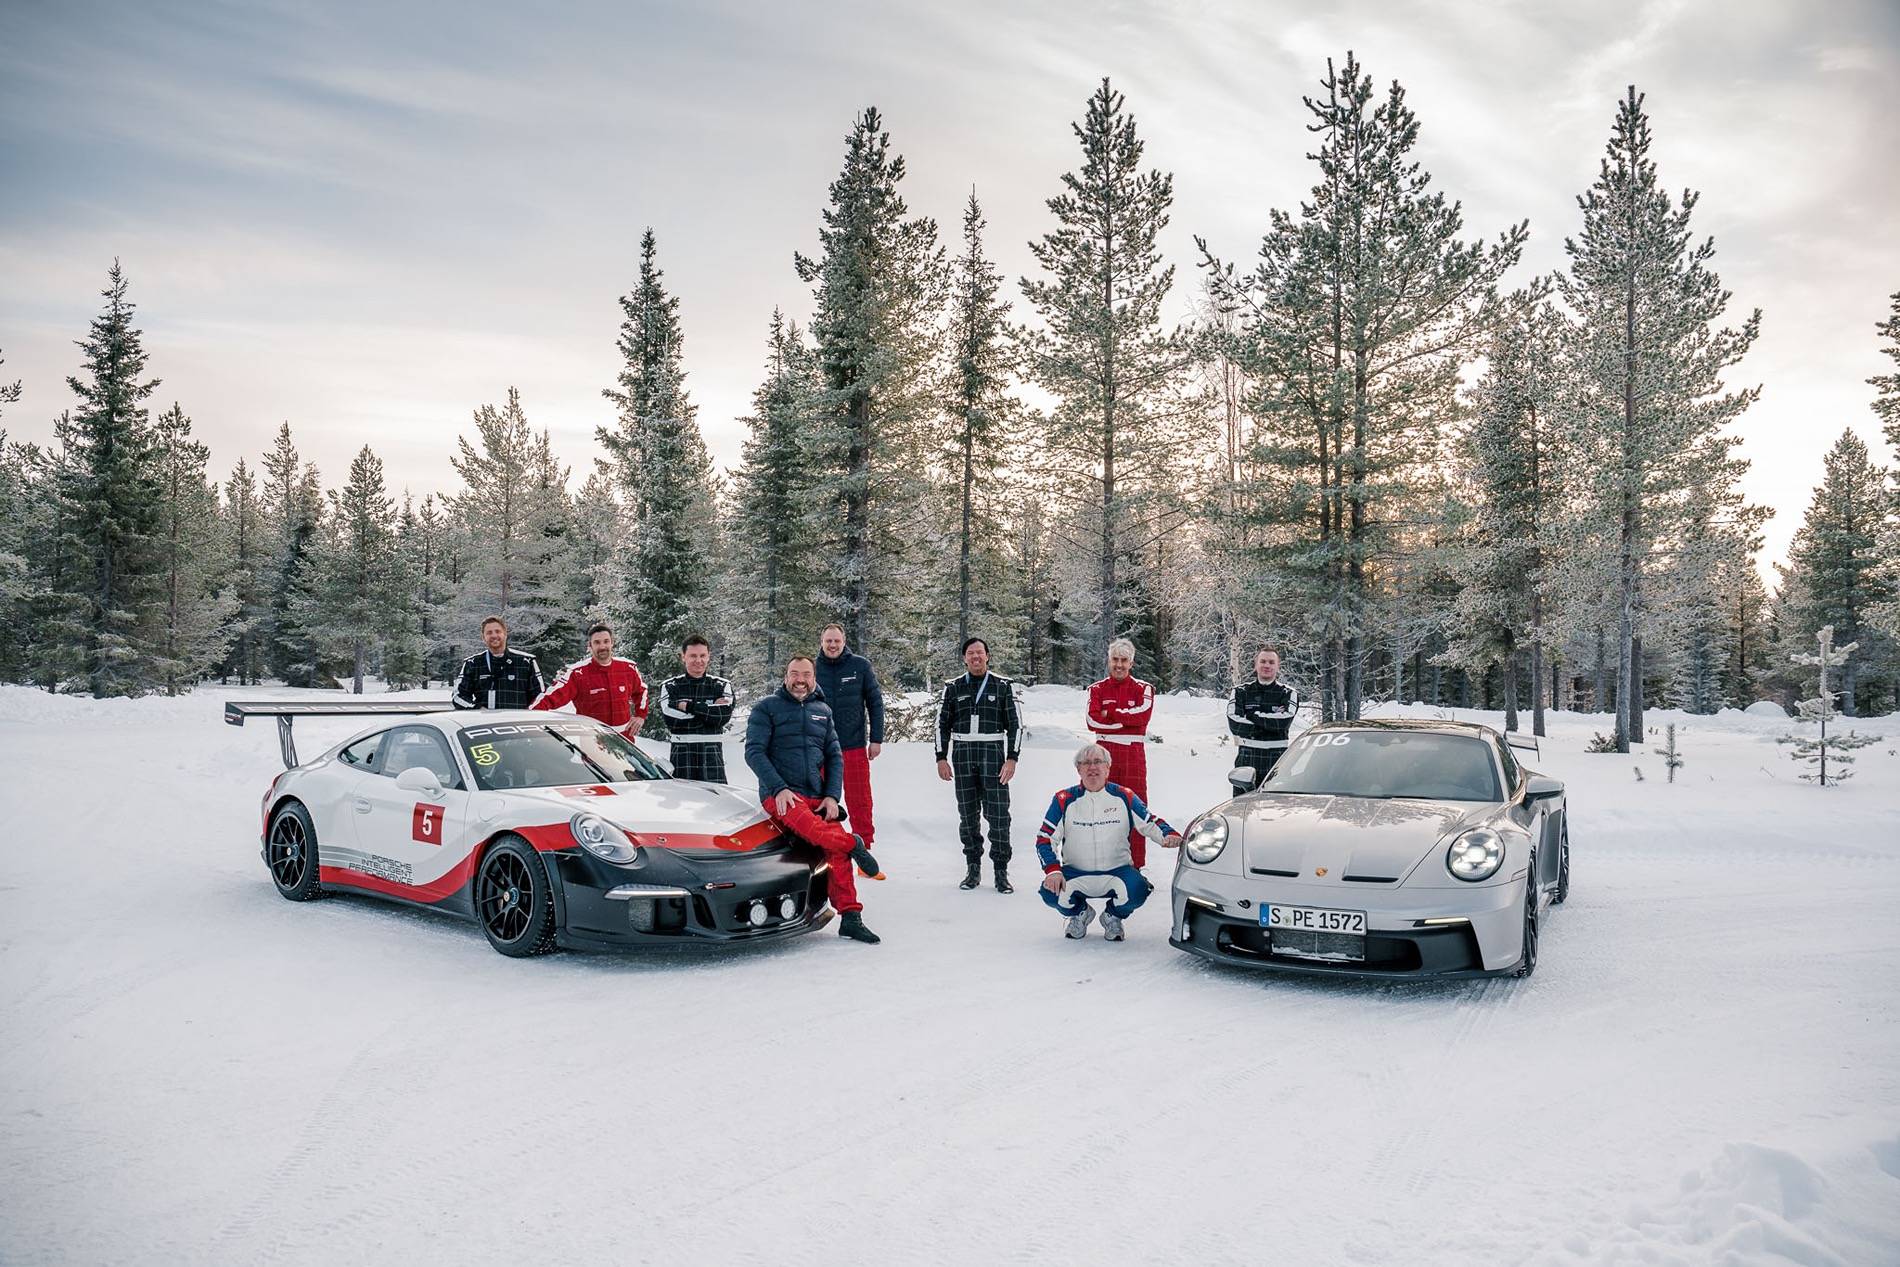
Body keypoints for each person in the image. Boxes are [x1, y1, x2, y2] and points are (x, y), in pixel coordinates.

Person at [745, 655, 883, 944]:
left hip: (817, 797)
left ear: (814, 677)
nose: (800, 680)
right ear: (785, 676)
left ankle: (850, 917)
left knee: (835, 851)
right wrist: (779, 788)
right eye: (794, 673)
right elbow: (754, 752)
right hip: (782, 796)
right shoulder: (767, 708)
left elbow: (834, 756)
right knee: (817, 831)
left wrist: (832, 796)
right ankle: (854, 843)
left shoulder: (823, 711)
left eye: (806, 674)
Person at [1036, 743, 1182, 941]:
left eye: (1098, 762)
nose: (1092, 767)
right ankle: (1080, 913)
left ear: (1108, 767)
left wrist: (1168, 836)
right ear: (1078, 769)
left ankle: (1112, 916)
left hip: (1116, 871)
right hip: (1076, 872)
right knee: (1050, 892)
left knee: (1138, 889)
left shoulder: (1124, 796)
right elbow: (1045, 839)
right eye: (1085, 763)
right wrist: (1053, 870)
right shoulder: (1064, 799)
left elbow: (1150, 822)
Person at [935, 636, 1023, 893]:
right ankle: (973, 869)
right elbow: (941, 725)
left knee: (998, 815)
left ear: (987, 656)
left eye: (980, 653)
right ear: (964, 658)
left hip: (993, 755)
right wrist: (941, 757)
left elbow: (1015, 726)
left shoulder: (1002, 686)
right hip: (963, 756)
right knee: (968, 816)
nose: (975, 657)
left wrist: (1012, 758)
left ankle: (1000, 872)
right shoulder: (952, 688)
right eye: (970, 653)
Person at [813, 623, 885, 846]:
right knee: (819, 799)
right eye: (828, 641)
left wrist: (876, 739)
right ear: (822, 642)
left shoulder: (860, 666)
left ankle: (864, 846)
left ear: (844, 642)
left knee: (859, 799)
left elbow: (875, 703)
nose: (832, 645)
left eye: (836, 641)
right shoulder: (812, 669)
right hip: (820, 748)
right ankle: (824, 846)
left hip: (852, 745)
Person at [1085, 638, 1155, 866]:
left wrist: (1110, 712)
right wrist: (1124, 720)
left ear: (1131, 663)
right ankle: (1104, 863)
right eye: (1115, 659)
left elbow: (1142, 717)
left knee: (1135, 807)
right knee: (1102, 806)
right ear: (1109, 660)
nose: (1119, 665)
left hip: (1133, 756)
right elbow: (1091, 721)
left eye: (1124, 660)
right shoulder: (1097, 689)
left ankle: (1135, 866)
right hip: (1103, 756)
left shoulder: (1143, 689)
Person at [530, 622, 649, 739]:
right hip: (592, 741)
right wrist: (529, 716)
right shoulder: (577, 673)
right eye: (597, 642)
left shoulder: (628, 668)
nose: (602, 646)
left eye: (606, 641)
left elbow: (641, 691)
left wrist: (641, 715)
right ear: (590, 646)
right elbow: (549, 697)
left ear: (612, 643)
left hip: (624, 740)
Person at [659, 635, 734, 783]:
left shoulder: (722, 685)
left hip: (712, 756)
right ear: (683, 657)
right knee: (684, 803)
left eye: (702, 655)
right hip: (682, 755)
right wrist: (709, 712)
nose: (698, 661)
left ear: (708, 657)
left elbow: (722, 717)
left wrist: (688, 706)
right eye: (693, 656)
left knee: (716, 803)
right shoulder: (670, 686)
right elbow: (672, 722)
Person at [1229, 647, 1297, 789]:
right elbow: (1235, 724)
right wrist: (1270, 726)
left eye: (1271, 662)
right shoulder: (1240, 692)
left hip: (1277, 762)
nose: (1267, 665)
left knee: (1276, 808)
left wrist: (1252, 715)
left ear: (1278, 666)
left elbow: (1283, 723)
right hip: (1246, 760)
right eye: (1263, 661)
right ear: (1256, 665)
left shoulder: (1288, 693)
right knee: (1242, 808)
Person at [450, 616, 545, 710]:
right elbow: (458, 697)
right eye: (489, 633)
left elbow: (540, 697)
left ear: (505, 634)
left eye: (498, 631)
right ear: (483, 637)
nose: (494, 635)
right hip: (485, 723)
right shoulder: (472, 664)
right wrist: (477, 709)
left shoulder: (526, 662)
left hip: (516, 721)